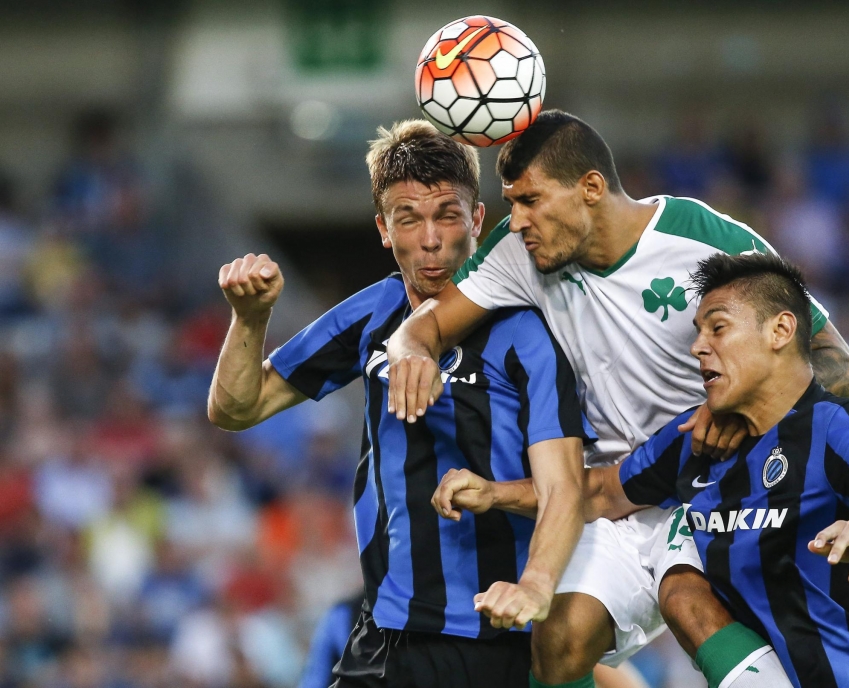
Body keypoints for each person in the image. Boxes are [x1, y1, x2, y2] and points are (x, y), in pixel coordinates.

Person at [386, 110, 849, 688]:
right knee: (557, 644)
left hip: (718, 482)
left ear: (590, 188)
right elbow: (427, 326)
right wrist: (411, 349)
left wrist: (737, 413)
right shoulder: (517, 255)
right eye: (511, 203)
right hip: (612, 493)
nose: (516, 222)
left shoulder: (704, 240)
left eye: (531, 201)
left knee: (689, 602)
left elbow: (840, 368)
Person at [207, 120, 593, 688]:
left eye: (448, 215)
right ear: (385, 231)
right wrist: (250, 317)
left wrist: (530, 573)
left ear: (478, 220)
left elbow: (567, 490)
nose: (431, 239)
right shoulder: (373, 313)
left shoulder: (525, 331)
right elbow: (236, 409)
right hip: (384, 635)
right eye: (408, 218)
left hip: (492, 642)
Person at [435, 252, 849, 688]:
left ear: (780, 330)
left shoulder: (838, 424)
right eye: (697, 332)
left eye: (718, 327)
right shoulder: (695, 440)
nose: (698, 346)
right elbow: (599, 492)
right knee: (662, 580)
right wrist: (495, 493)